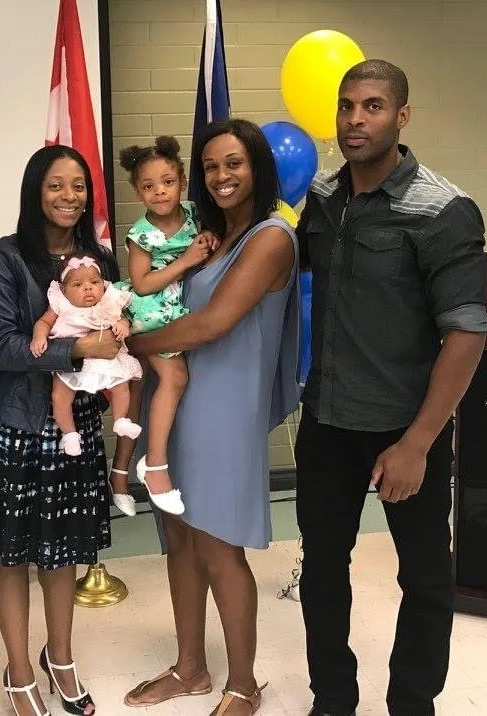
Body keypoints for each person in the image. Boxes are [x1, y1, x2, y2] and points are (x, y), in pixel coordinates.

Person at [294, 59, 487, 716]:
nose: (356, 119)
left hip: (405, 429)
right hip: (327, 421)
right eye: (346, 105)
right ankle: (332, 701)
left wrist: (418, 443)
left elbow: (466, 332)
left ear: (401, 116)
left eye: (372, 106)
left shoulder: (442, 209)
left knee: (426, 579)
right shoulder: (323, 198)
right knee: (322, 571)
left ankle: (412, 704)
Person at [122, 118, 301, 716]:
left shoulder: (270, 237)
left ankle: (243, 685)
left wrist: (130, 346)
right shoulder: (213, 236)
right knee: (178, 537)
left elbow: (212, 324)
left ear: (258, 168)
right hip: (180, 401)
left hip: (224, 408)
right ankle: (191, 667)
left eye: (234, 163)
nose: (221, 176)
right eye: (211, 166)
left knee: (219, 545)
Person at [0, 145, 119, 716]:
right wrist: (78, 349)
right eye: (56, 185)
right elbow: (4, 349)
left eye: (78, 185)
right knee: (10, 555)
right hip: (12, 424)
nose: (68, 196)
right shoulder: (3, 258)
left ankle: (61, 658)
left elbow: (114, 325)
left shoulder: (98, 259)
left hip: (72, 424)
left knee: (63, 551)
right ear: (35, 191)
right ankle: (19, 671)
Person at [112, 135, 217, 516]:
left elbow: (210, 241)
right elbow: (141, 284)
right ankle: (155, 465)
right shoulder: (141, 234)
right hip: (151, 309)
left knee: (138, 390)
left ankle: (118, 475)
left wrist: (208, 238)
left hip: (177, 303)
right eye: (148, 186)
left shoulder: (193, 214)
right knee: (175, 377)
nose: (159, 191)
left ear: (183, 181)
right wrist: (186, 260)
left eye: (167, 182)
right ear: (138, 192)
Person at [30, 250, 142, 457]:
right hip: (72, 360)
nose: (88, 288)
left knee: (121, 386)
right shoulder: (60, 304)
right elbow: (44, 322)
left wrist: (122, 325)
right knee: (60, 396)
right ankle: (70, 434)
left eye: (94, 282)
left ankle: (120, 420)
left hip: (104, 358)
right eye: (78, 285)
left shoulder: (108, 301)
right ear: (64, 290)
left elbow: (122, 318)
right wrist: (39, 336)